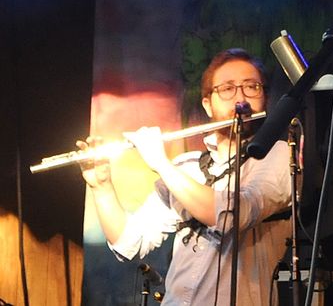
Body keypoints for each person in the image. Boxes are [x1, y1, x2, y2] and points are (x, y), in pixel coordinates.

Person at [80, 49, 292, 306]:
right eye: (227, 88)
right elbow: (129, 242)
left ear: (265, 99)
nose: (240, 98)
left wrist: (160, 162)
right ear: (207, 104)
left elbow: (234, 214)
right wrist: (102, 186)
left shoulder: (280, 156)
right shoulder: (187, 167)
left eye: (251, 87)